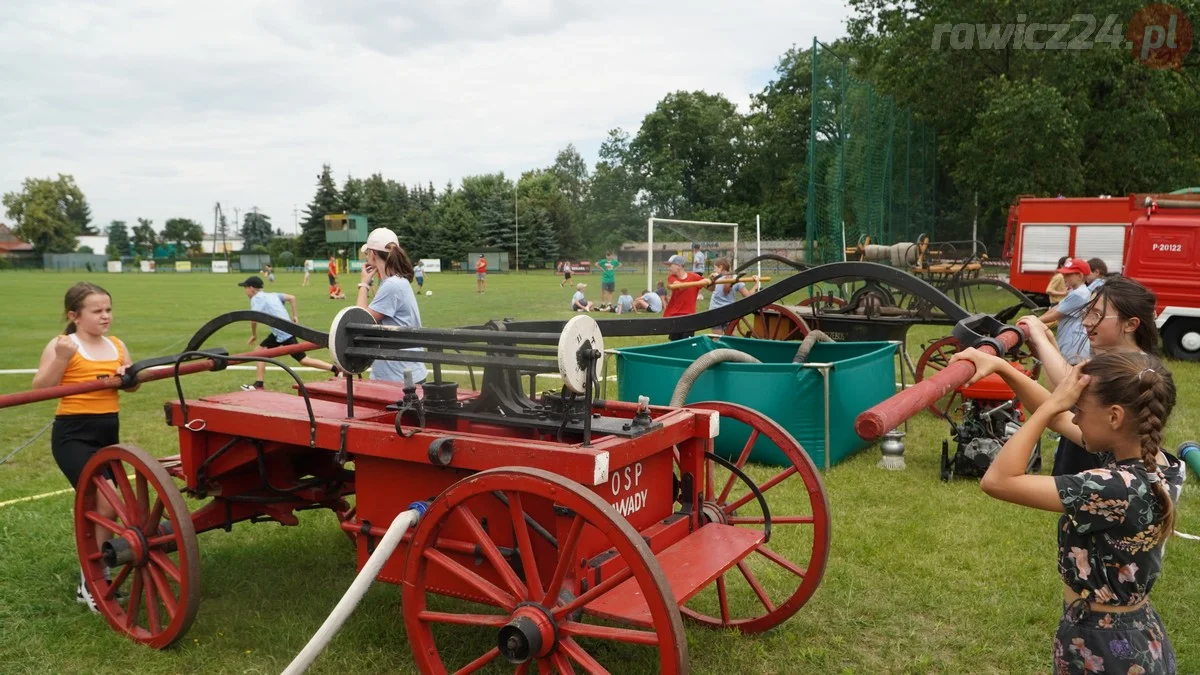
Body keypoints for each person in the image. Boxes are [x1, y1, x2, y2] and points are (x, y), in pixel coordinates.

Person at [949, 348, 1182, 674]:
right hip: (1134, 635)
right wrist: (1004, 368)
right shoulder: (1160, 465)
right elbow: (1058, 419)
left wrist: (1052, 406)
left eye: (1079, 410)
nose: (1072, 417)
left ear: (1115, 417)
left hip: (1106, 647)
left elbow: (998, 480)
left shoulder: (1111, 488)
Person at [32, 282, 136, 612]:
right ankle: (92, 580)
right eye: (97, 311)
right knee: (105, 505)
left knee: (107, 509)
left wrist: (129, 375)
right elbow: (41, 389)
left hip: (108, 436)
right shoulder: (65, 344)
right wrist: (62, 359)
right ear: (74, 316)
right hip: (73, 436)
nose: (105, 316)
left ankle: (94, 575)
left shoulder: (116, 344)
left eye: (108, 309)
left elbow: (131, 386)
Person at [1019, 275, 1161, 475]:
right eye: (1087, 313)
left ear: (1130, 324)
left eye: (1096, 314)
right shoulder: (1111, 359)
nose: (1086, 322)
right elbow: (1062, 395)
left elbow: (1072, 385)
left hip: (1100, 477)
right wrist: (1050, 342)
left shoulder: (1133, 369)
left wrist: (1040, 339)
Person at [238, 276, 337, 390]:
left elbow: (253, 318)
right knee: (260, 351)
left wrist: (254, 334)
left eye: (245, 288)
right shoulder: (272, 295)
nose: (245, 291)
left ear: (251, 288)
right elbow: (292, 298)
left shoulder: (257, 299)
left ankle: (335, 369)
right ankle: (259, 384)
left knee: (303, 360)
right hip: (283, 330)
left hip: (283, 333)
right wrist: (294, 316)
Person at [357, 228, 427, 384]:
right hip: (404, 373)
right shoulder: (396, 282)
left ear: (373, 254)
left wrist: (363, 284)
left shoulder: (392, 285)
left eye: (367, 253)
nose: (366, 257)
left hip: (398, 376)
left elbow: (360, 323)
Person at [1037, 258, 1092, 364]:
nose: (1064, 277)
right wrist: (1036, 319)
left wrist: (1034, 322)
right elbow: (1056, 308)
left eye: (1068, 275)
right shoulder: (1075, 291)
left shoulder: (1079, 294)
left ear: (1080, 276)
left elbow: (1056, 315)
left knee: (1070, 373)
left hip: (1073, 343)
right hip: (1069, 339)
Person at [706, 257, 759, 334]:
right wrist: (756, 284)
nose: (714, 270)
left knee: (717, 339)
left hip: (715, 313)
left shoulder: (716, 278)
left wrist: (712, 280)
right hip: (728, 313)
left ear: (721, 267)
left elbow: (710, 289)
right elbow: (749, 296)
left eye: (715, 268)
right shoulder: (733, 279)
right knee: (730, 339)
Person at [663, 254, 703, 341]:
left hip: (689, 317)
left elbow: (711, 288)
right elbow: (679, 286)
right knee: (675, 344)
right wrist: (698, 282)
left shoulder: (694, 277)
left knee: (687, 342)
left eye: (670, 265)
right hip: (675, 316)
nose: (668, 268)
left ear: (678, 266)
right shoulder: (671, 277)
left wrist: (710, 281)